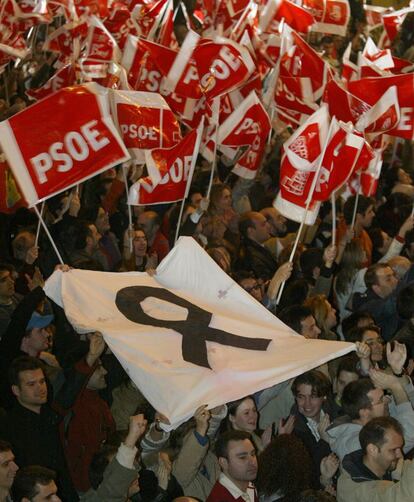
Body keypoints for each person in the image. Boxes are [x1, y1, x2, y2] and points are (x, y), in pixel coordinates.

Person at [326, 372, 414, 461]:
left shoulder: (369, 421)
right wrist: (396, 387)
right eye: (380, 400)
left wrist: (398, 372)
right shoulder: (356, 442)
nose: (387, 400)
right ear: (365, 412)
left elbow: (406, 407)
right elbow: (410, 432)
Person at [337, 416, 413, 502]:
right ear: (373, 450)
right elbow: (399, 497)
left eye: (400, 448)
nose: (400, 455)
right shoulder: (352, 489)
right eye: (393, 450)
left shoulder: (387, 464)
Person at [206, 430, 258, 502]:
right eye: (242, 457)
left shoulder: (250, 487)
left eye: (253, 454)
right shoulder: (219, 498)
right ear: (224, 463)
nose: (252, 462)